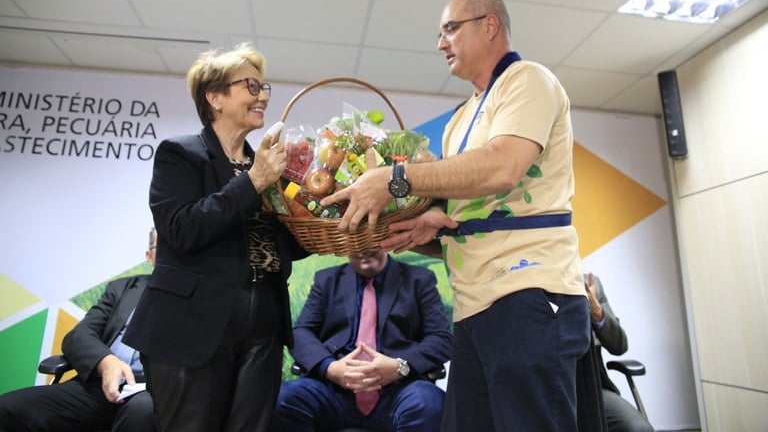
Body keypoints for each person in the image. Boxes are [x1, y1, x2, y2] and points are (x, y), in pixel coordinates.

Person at [321, 0, 591, 431]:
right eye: (439, 33)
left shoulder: (527, 81)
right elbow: (468, 214)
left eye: (450, 28)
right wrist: (432, 231)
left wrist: (396, 180)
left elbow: (503, 166)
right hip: (472, 307)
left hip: (526, 293)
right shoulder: (459, 120)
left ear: (489, 25)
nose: (440, 43)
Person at [123, 43, 309, 432]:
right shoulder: (180, 154)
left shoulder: (267, 166)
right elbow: (182, 229)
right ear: (215, 97)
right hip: (192, 327)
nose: (263, 97)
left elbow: (282, 245)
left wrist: (330, 227)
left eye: (264, 87)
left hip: (265, 322)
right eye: (251, 86)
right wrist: (254, 182)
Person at [271, 249, 452, 432]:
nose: (364, 250)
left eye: (370, 242)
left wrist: (399, 367)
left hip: (398, 391)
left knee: (429, 402)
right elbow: (301, 332)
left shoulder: (419, 280)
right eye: (356, 243)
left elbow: (441, 338)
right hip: (334, 393)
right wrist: (330, 368)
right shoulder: (327, 280)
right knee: (284, 398)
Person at [0, 228, 158, 432]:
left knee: (143, 412)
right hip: (99, 385)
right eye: (162, 247)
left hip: (152, 391)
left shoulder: (196, 298)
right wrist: (105, 362)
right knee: (9, 408)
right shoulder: (122, 288)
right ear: (149, 256)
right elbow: (79, 335)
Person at [586, 273, 654, 432]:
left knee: (639, 429)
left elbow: (619, 346)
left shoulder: (591, 285)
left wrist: (597, 312)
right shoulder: (531, 284)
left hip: (593, 389)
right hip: (547, 391)